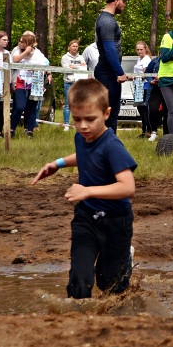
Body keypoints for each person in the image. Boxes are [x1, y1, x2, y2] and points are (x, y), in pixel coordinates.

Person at [31, 79, 136, 299]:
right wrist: (57, 164)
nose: (83, 126)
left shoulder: (113, 146)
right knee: (79, 279)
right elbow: (87, 156)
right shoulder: (82, 136)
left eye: (90, 119)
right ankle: (76, 320)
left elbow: (128, 187)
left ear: (106, 113)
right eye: (77, 119)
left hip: (116, 220)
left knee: (111, 285)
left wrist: (88, 191)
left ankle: (125, 258)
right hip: (86, 216)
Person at [94, 0, 132, 131]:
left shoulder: (107, 19)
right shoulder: (107, 21)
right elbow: (109, 49)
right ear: (116, 1)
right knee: (107, 116)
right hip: (108, 73)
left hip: (109, 73)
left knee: (111, 114)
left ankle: (109, 149)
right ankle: (104, 150)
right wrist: (119, 72)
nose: (124, 4)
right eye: (123, 1)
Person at [11, 31, 50, 137]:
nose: (20, 43)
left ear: (28, 43)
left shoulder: (38, 54)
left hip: (34, 83)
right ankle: (11, 129)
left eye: (22, 42)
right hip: (21, 81)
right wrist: (25, 52)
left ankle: (30, 131)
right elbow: (15, 60)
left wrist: (34, 70)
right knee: (20, 106)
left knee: (32, 107)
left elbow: (44, 68)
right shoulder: (17, 51)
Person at [61, 39, 88, 132]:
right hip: (69, 83)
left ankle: (79, 123)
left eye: (76, 46)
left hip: (79, 83)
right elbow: (67, 69)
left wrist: (74, 67)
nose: (75, 48)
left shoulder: (80, 57)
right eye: (73, 46)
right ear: (69, 47)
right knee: (68, 104)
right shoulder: (65, 57)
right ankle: (66, 124)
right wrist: (78, 67)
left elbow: (85, 68)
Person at [132, 41, 153, 137]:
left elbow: (146, 74)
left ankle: (148, 130)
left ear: (145, 49)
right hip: (138, 85)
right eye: (138, 49)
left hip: (144, 86)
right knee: (140, 108)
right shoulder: (139, 59)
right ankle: (144, 130)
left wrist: (134, 77)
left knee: (144, 109)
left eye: (141, 49)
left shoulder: (146, 60)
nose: (139, 51)